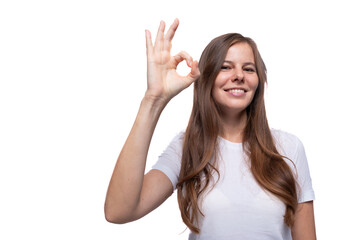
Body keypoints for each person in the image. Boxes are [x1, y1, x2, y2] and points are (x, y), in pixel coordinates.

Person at [104, 19, 316, 240]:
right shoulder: (186, 148)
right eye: (225, 67)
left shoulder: (288, 148)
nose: (239, 75)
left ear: (258, 82)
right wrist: (153, 99)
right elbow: (118, 211)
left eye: (248, 68)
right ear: (206, 78)